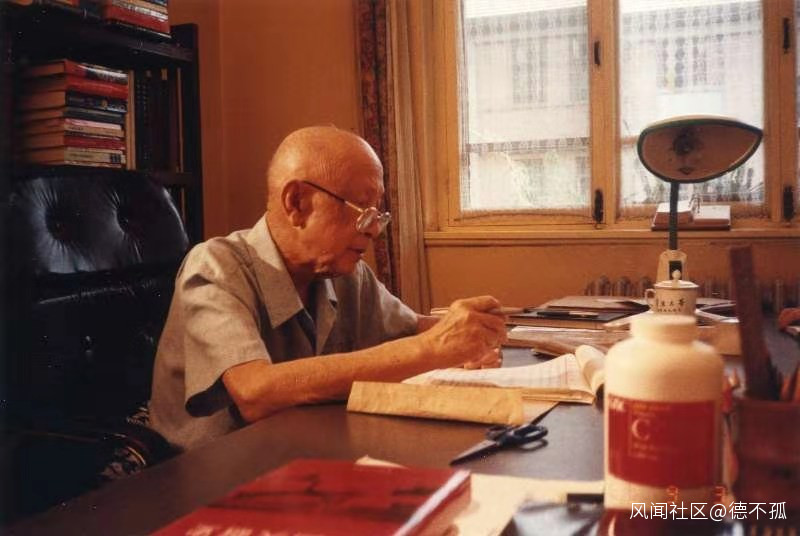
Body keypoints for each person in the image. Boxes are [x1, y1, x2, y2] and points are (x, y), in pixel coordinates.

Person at [149, 126, 508, 451]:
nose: (374, 229)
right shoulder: (214, 266)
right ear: (297, 203)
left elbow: (415, 329)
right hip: (212, 472)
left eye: (377, 213)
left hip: (303, 453)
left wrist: (470, 334)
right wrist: (432, 348)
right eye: (362, 209)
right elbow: (255, 392)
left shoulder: (346, 273)